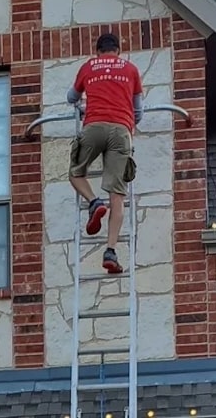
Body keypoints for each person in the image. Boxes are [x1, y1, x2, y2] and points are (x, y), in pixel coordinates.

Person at [66, 32, 144, 274]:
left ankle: (93, 201)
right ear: (118, 50)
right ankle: (110, 251)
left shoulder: (89, 66)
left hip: (94, 127)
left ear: (98, 51)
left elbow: (71, 97)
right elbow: (138, 109)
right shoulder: (130, 69)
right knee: (117, 195)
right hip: (121, 130)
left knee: (75, 173)